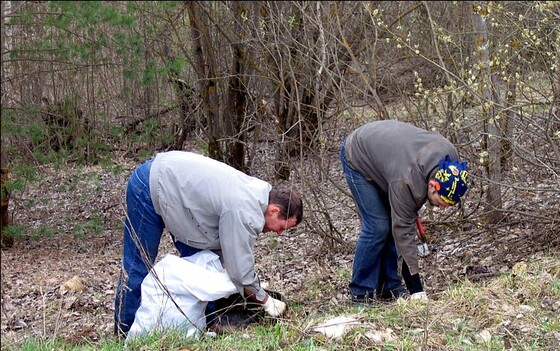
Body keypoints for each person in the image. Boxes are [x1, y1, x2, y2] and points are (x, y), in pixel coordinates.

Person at [114, 150, 303, 336]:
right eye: (282, 227)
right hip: (150, 184)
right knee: (137, 266)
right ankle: (125, 335)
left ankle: (208, 324)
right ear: (274, 210)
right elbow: (240, 270)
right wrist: (265, 300)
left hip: (180, 193)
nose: (279, 233)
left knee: (205, 264)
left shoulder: (259, 195)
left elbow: (225, 257)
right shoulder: (245, 209)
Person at [340, 120, 470, 303]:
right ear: (432, 185)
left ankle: (389, 288)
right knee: (378, 227)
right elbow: (404, 231)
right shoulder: (408, 181)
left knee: (391, 222)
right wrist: (416, 289)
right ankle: (360, 293)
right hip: (358, 154)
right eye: (441, 202)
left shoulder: (451, 160)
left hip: (388, 157)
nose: (441, 208)